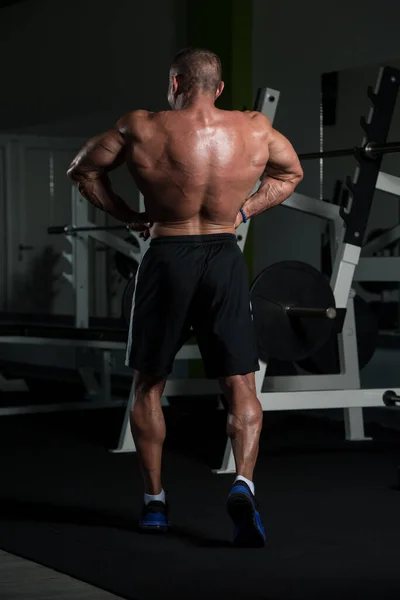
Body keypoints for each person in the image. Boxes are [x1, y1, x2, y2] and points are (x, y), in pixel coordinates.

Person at [67, 47, 303, 548]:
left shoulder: (141, 126)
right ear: (219, 88)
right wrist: (242, 213)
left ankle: (155, 503)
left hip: (166, 253)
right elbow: (289, 175)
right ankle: (244, 483)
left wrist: (131, 217)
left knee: (149, 384)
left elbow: (82, 172)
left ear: (175, 83)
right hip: (223, 255)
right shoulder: (256, 128)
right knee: (240, 382)